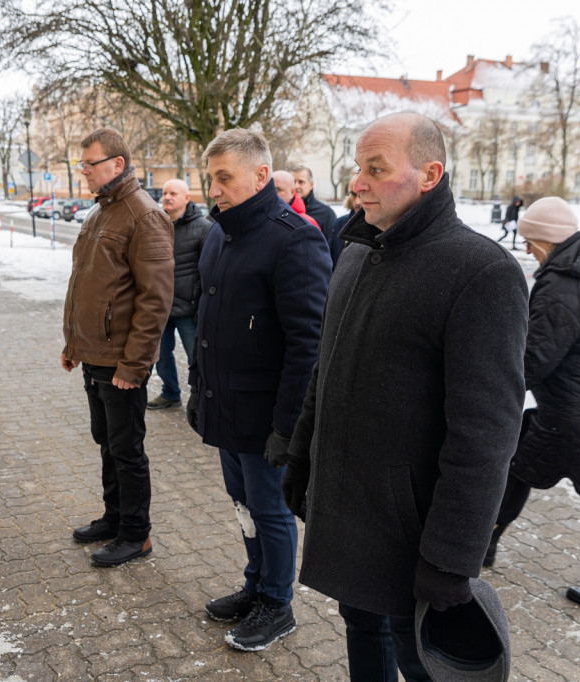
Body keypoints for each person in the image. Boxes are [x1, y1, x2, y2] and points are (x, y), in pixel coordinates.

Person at [282, 112, 529, 680]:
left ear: (429, 175)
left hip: (412, 535)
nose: (356, 183)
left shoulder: (480, 270)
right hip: (348, 513)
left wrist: (451, 556)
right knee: (360, 638)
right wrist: (301, 460)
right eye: (357, 168)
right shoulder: (357, 251)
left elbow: (486, 432)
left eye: (376, 169)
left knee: (414, 658)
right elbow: (329, 369)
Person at [188, 129, 331, 652]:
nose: (216, 189)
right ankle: (255, 584)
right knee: (241, 502)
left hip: (266, 414)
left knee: (270, 509)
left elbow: (308, 343)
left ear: (260, 175)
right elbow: (207, 318)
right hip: (224, 404)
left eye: (224, 178)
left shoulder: (296, 237)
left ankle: (278, 602)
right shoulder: (221, 233)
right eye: (212, 178)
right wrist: (197, 388)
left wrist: (287, 427)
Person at [486, 196, 580, 611]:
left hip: (579, 409)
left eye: (531, 241)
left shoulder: (566, 282)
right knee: (521, 465)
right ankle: (484, 544)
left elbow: (536, 356)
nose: (528, 250)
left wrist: (493, 389)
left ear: (547, 240)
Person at [61, 128, 174, 567]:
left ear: (118, 164)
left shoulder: (143, 215)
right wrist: (74, 343)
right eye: (83, 164)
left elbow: (155, 299)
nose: (84, 171)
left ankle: (136, 534)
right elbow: (84, 286)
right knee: (106, 442)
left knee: (127, 449)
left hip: (121, 362)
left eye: (90, 163)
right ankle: (114, 518)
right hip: (94, 356)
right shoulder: (100, 213)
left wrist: (135, 364)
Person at [148, 179, 212, 410]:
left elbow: (207, 271)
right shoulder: (156, 224)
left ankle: (203, 398)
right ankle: (170, 393)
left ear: (187, 197)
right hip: (161, 307)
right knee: (161, 356)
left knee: (196, 359)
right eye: (165, 193)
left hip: (188, 308)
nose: (167, 197)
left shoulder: (204, 228)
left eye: (173, 193)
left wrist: (201, 306)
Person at [291, 166, 340, 263]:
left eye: (301, 182)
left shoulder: (326, 213)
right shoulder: (285, 209)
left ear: (311, 185)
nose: (296, 186)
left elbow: (331, 249)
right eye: (293, 182)